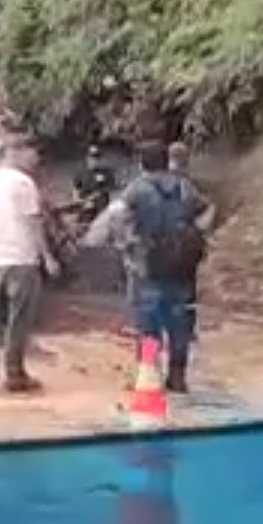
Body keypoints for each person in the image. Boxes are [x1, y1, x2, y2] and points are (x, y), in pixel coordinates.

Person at [92, 139, 210, 393]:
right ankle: (178, 377)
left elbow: (116, 216)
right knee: (180, 323)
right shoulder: (184, 187)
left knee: (148, 323)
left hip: (147, 268)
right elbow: (208, 210)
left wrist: (126, 243)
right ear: (166, 160)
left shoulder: (137, 189)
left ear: (141, 163)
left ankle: (149, 376)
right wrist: (195, 235)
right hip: (183, 269)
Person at [0, 135, 58, 393]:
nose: (35, 159)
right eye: (31, 152)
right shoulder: (23, 182)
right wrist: (47, 258)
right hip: (22, 260)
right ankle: (14, 374)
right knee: (19, 318)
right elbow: (33, 224)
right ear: (15, 152)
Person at [72, 143, 117, 224]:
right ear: (87, 158)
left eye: (96, 158)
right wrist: (79, 201)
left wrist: (96, 197)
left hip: (100, 207)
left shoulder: (106, 172)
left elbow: (110, 189)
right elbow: (76, 189)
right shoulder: (80, 172)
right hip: (85, 205)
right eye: (92, 157)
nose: (94, 160)